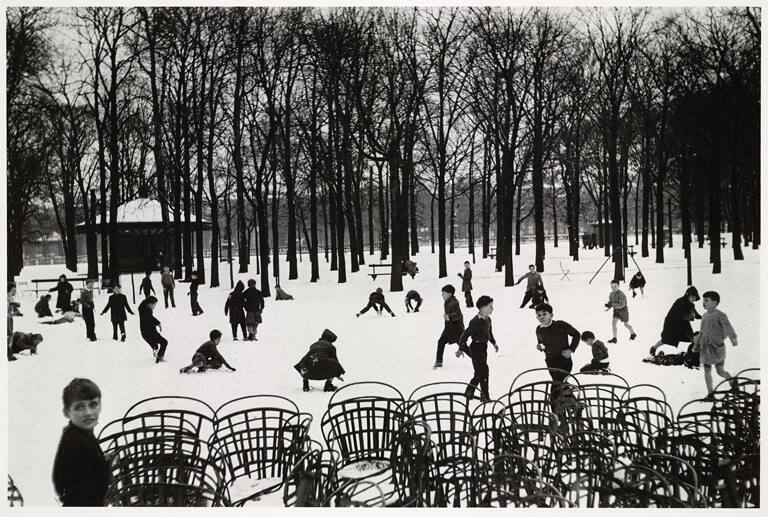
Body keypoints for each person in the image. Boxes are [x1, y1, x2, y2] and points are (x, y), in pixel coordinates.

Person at [52, 378, 110, 506]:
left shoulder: (79, 433)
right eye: (79, 407)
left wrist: (101, 460)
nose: (88, 413)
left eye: (93, 404)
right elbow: (85, 491)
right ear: (67, 412)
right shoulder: (76, 443)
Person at [693, 291, 738, 401]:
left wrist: (733, 337)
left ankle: (733, 383)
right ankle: (710, 393)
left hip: (717, 348)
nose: (704, 303)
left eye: (706, 301)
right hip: (706, 349)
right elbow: (702, 332)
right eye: (703, 301)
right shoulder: (704, 316)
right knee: (707, 371)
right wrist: (696, 344)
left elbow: (727, 327)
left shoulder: (720, 315)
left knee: (720, 371)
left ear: (715, 302)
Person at [456, 296, 498, 402]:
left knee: (480, 372)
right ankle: (484, 396)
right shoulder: (475, 322)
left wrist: (494, 343)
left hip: (483, 348)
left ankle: (469, 391)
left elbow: (489, 333)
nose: (492, 309)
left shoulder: (488, 319)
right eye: (490, 307)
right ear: (483, 308)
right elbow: (465, 335)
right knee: (483, 371)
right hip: (475, 348)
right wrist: (461, 348)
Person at [649, 286, 701, 357]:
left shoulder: (691, 305)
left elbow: (696, 314)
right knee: (666, 339)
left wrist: (702, 317)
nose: (694, 299)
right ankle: (654, 348)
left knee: (692, 338)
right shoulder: (680, 301)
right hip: (672, 323)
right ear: (688, 295)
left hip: (684, 324)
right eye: (692, 296)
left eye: (695, 297)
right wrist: (691, 317)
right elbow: (681, 314)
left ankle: (694, 355)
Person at [534, 303, 580, 383]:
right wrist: (540, 347)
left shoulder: (560, 325)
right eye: (539, 315)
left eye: (544, 314)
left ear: (551, 315)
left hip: (563, 360)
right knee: (559, 383)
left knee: (559, 382)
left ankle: (555, 395)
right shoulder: (539, 329)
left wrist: (571, 349)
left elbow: (576, 334)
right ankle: (566, 395)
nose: (541, 317)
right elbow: (541, 343)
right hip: (550, 361)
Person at [434, 284, 464, 368]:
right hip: (449, 327)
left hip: (456, 328)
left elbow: (458, 314)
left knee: (462, 346)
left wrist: (449, 317)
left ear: (449, 294)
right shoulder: (447, 302)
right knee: (441, 341)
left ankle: (477, 359)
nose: (442, 295)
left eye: (444, 293)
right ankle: (439, 362)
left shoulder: (453, 302)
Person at [138, 296, 168, 363]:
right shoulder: (147, 311)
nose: (154, 306)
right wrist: (157, 325)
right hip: (151, 332)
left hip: (144, 333)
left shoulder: (142, 309)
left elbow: (151, 317)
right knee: (164, 342)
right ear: (150, 304)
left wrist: (158, 323)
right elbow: (150, 320)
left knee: (155, 345)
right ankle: (159, 358)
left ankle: (155, 348)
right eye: (154, 305)